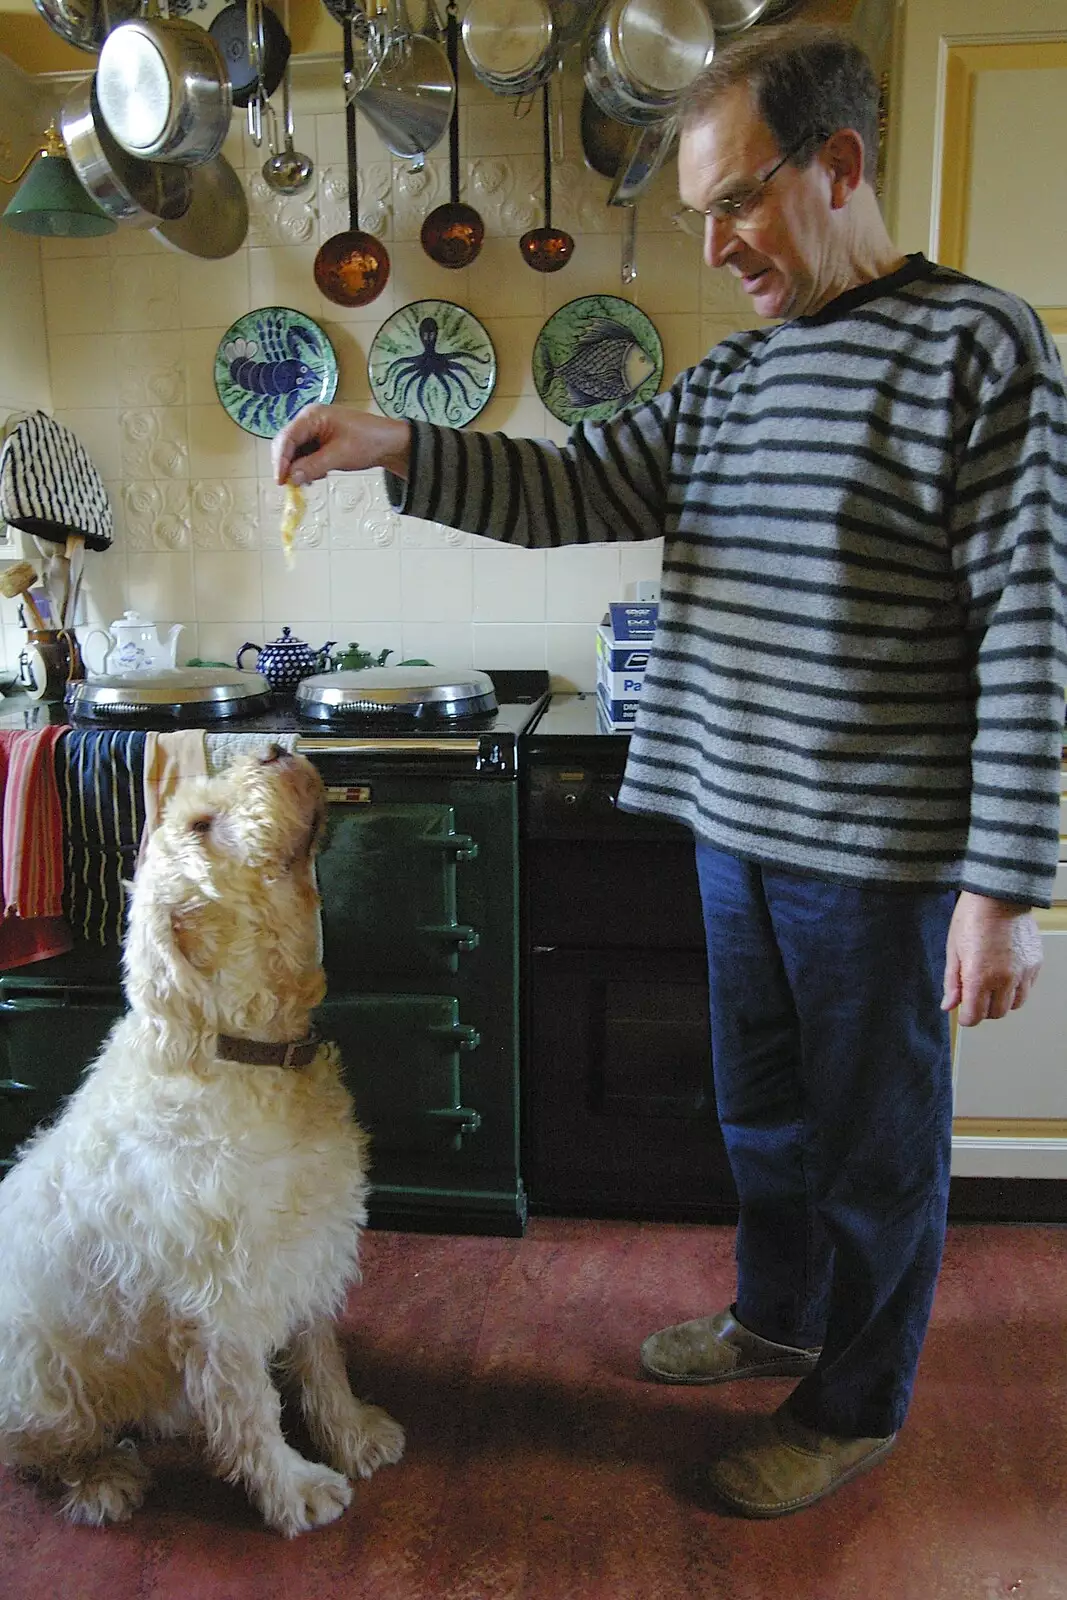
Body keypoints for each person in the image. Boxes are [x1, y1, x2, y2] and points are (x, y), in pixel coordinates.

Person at [273, 24, 1067, 1518]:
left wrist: (1002, 889)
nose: (713, 247)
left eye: (735, 202)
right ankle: (778, 1315)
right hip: (730, 824)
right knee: (761, 1114)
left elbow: (1031, 623)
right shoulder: (739, 375)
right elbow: (576, 481)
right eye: (699, 212)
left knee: (873, 1145)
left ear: (837, 165)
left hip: (876, 854)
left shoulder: (980, 348)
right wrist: (392, 439)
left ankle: (853, 1403)